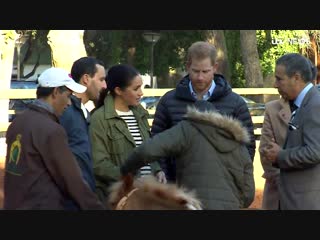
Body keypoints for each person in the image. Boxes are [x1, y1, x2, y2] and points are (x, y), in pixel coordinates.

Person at [120, 100, 255, 209]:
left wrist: (125, 171)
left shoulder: (188, 128)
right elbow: (248, 194)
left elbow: (146, 151)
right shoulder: (238, 142)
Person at [151, 41, 255, 182]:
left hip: (222, 185)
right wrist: (163, 172)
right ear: (188, 66)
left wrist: (234, 179)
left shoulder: (235, 104)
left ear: (215, 67)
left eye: (205, 71)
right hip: (178, 185)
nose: (200, 77)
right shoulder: (168, 101)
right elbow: (156, 141)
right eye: (195, 71)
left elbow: (247, 147)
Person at [4, 67, 105, 210]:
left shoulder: (18, 122)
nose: (69, 103)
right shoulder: (51, 130)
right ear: (56, 92)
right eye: (69, 96)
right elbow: (72, 180)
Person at [89, 64, 166, 203]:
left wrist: (157, 170)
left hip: (149, 196)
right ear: (118, 90)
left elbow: (148, 150)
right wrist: (131, 181)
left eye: (141, 87)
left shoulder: (140, 113)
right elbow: (99, 164)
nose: (141, 93)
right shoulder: (99, 119)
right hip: (121, 198)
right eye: (136, 89)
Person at [263, 53, 320, 210]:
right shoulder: (306, 103)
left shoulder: (314, 105)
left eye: (279, 79)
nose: (275, 84)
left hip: (306, 203)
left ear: (296, 77)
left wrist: (280, 155)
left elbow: (315, 152)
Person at [59, 57, 107, 210]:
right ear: (86, 79)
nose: (105, 85)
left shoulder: (84, 112)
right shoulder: (68, 113)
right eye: (101, 80)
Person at [259, 98, 291, 210]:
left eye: (280, 79)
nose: (275, 85)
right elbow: (265, 151)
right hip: (278, 193)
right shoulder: (272, 108)